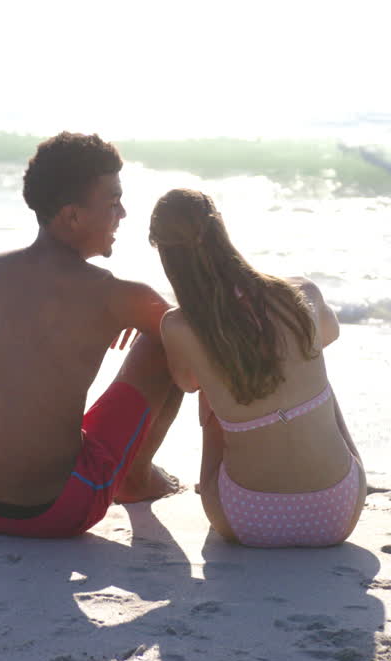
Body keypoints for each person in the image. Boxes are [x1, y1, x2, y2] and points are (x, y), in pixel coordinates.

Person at [0, 132, 183, 538]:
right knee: (165, 340)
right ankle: (136, 479)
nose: (122, 213)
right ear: (72, 217)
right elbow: (191, 335)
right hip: (56, 508)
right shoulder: (114, 296)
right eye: (112, 203)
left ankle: (130, 474)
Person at [147, 188, 366, 547]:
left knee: (213, 391)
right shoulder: (301, 294)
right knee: (314, 380)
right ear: (221, 233)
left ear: (166, 253)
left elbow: (186, 383)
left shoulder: (180, 326)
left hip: (245, 518)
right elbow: (329, 335)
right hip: (337, 513)